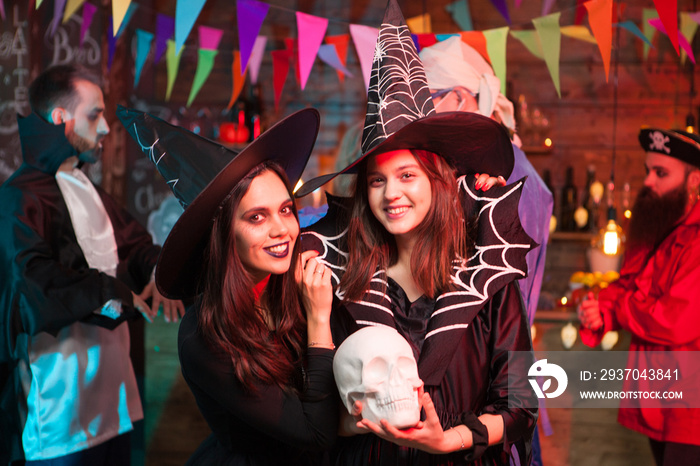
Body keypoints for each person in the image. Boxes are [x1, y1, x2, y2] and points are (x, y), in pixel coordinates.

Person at [297, 1, 537, 464]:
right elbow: (315, 411)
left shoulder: (485, 272)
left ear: (437, 179)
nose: (391, 194)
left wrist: (448, 440)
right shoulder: (338, 274)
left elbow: (521, 406)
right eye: (377, 180)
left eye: (407, 175)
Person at [117, 106, 338, 465]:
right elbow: (316, 433)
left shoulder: (292, 285)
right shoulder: (204, 337)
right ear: (224, 234)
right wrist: (318, 320)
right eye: (256, 217)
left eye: (285, 210)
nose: (282, 229)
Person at [0, 64, 184, 465]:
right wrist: (112, 291)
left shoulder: (86, 187)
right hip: (57, 414)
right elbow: (34, 285)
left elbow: (136, 245)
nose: (105, 128)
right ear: (60, 118)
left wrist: (157, 271)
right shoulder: (19, 198)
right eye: (94, 115)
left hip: (114, 399)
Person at [578, 127, 700, 466]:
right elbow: (630, 285)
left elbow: (675, 321)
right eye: (648, 170)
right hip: (659, 398)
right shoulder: (658, 225)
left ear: (694, 180)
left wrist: (615, 307)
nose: (649, 181)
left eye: (661, 173)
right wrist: (599, 307)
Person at [419, 36, 554, 326]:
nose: (418, 116)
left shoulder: (489, 170)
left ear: (457, 96)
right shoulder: (515, 160)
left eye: (423, 100)